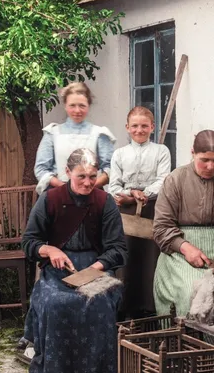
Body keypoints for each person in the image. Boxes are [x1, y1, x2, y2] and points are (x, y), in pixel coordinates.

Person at [21, 148, 127, 373]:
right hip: (57, 270)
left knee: (99, 302)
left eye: (93, 176)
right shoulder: (50, 199)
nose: (88, 183)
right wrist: (50, 250)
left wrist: (94, 269)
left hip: (97, 267)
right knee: (54, 304)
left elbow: (118, 249)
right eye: (81, 176)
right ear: (68, 172)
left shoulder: (104, 201)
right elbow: (29, 241)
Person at [152, 129, 214, 317]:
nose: (210, 166)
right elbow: (162, 227)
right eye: (204, 160)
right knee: (190, 293)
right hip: (181, 254)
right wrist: (185, 248)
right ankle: (184, 334)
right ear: (193, 153)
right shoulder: (175, 180)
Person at [108, 106, 171, 318]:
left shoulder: (161, 151)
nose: (139, 130)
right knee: (126, 258)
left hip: (152, 208)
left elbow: (163, 180)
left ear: (152, 127)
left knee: (149, 259)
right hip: (125, 210)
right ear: (127, 128)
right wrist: (130, 194)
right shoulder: (119, 154)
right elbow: (113, 186)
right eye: (134, 126)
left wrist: (144, 194)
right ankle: (124, 308)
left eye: (144, 126)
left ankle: (149, 309)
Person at [34, 82, 116, 194]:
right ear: (65, 106)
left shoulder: (99, 134)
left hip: (91, 193)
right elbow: (41, 169)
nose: (77, 110)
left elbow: (110, 168)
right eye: (72, 105)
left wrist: (89, 186)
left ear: (88, 105)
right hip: (59, 193)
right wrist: (65, 188)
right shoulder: (53, 133)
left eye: (82, 105)